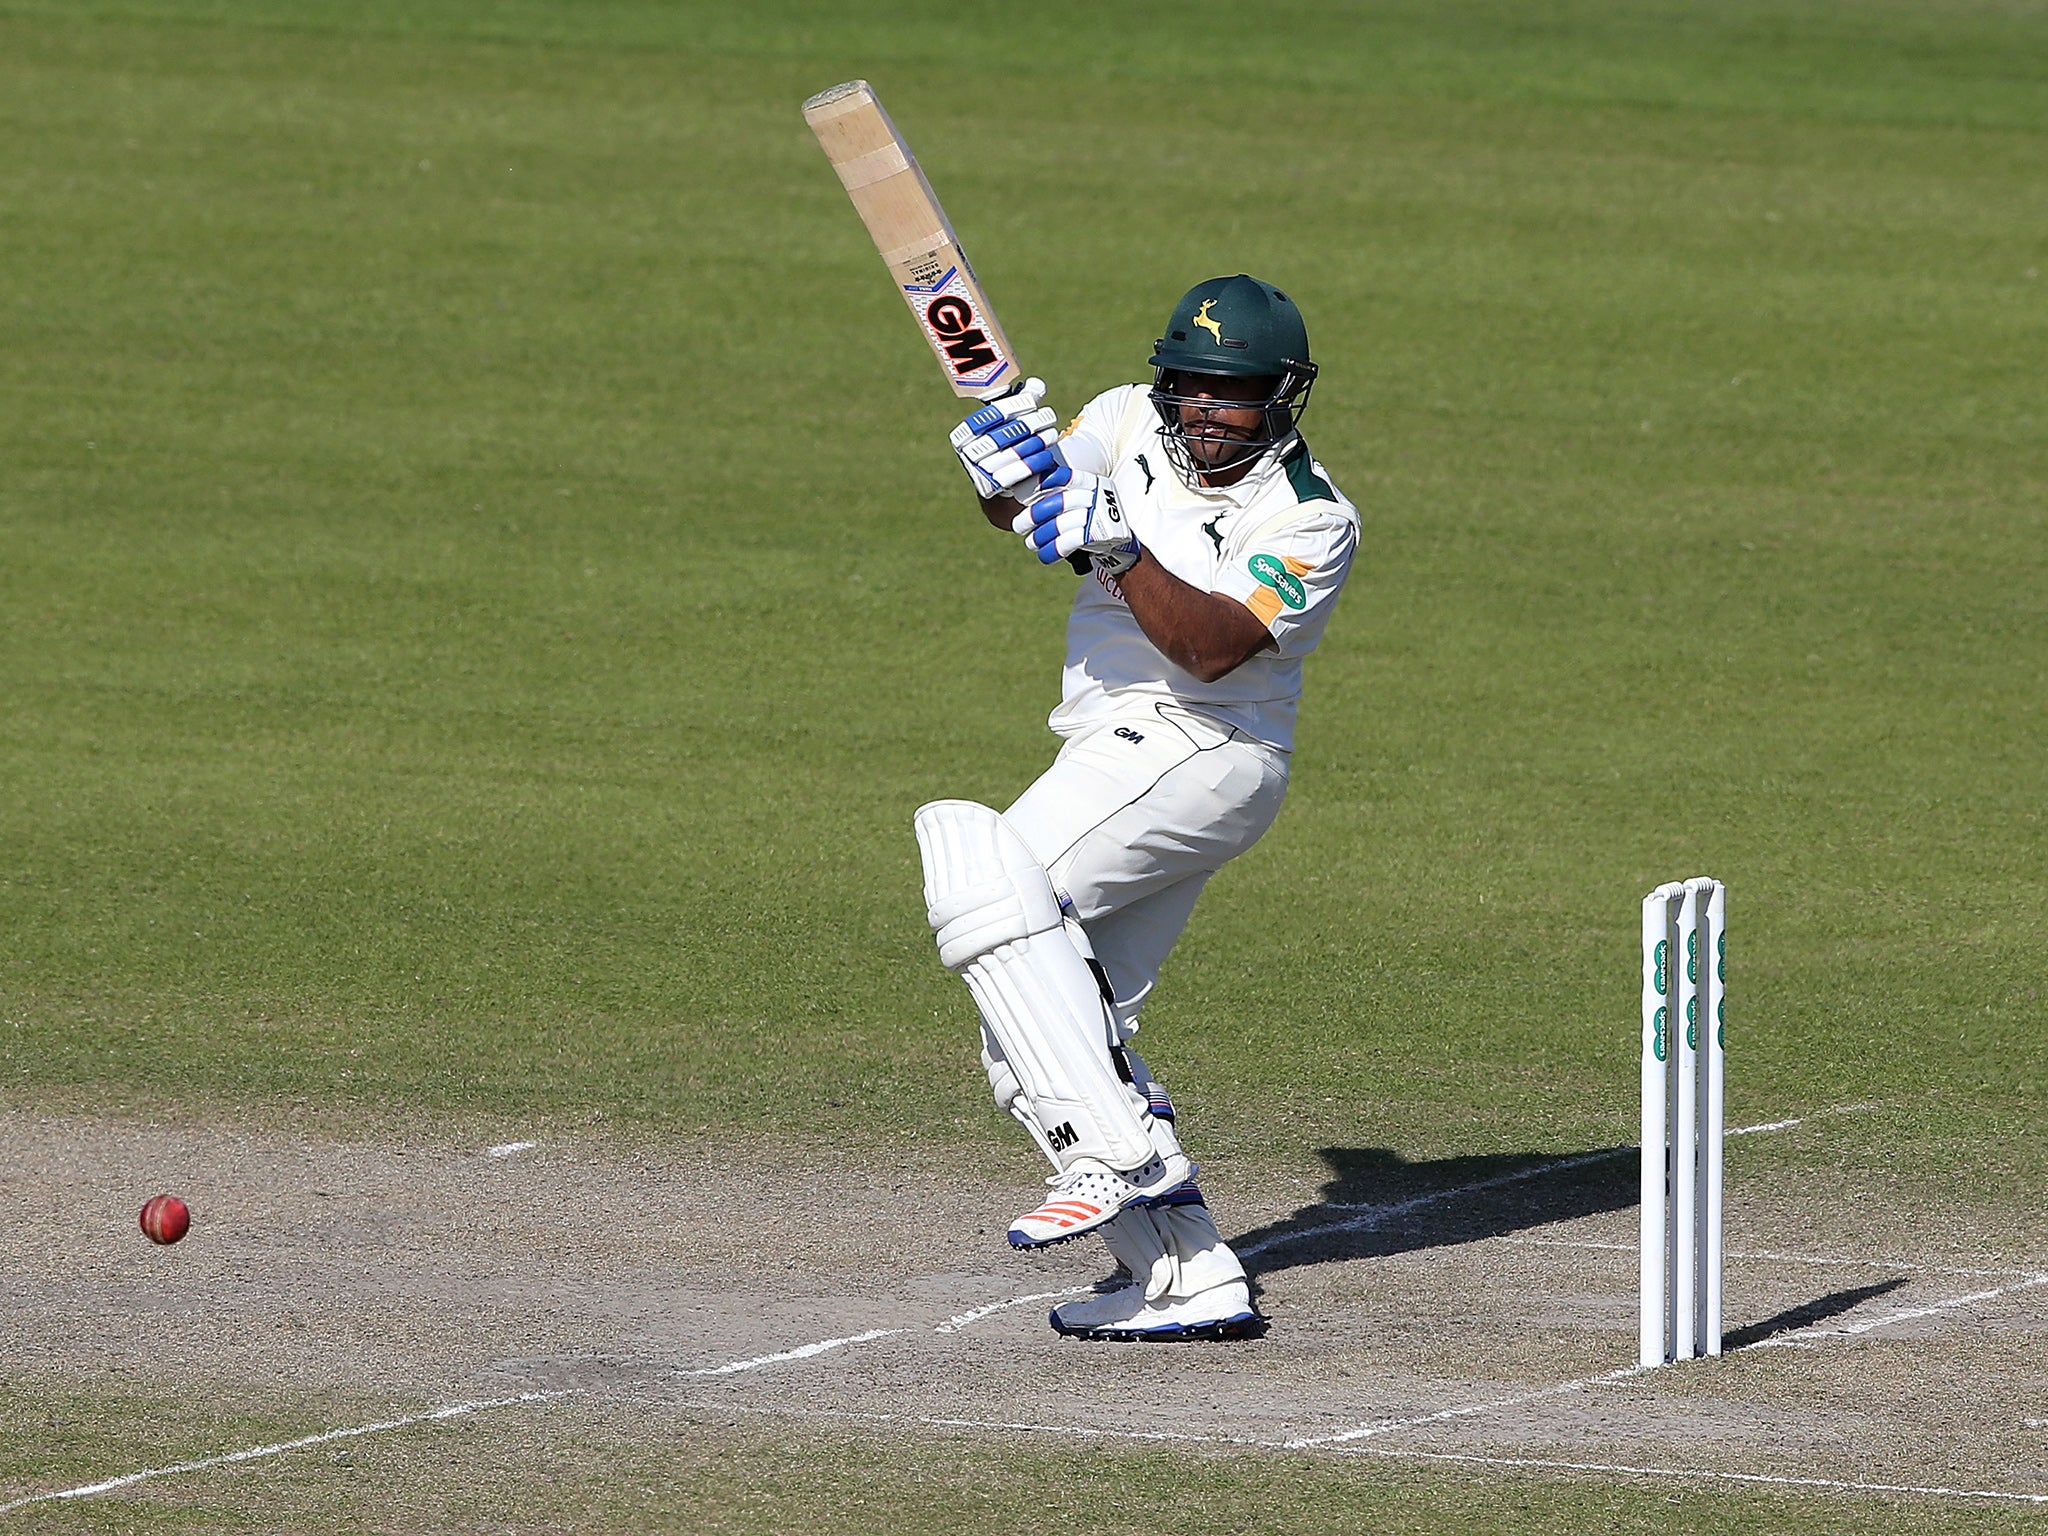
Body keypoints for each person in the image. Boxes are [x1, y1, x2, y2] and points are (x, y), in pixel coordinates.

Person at [913, 275, 1358, 1340]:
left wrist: (1114, 545)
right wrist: (1003, 471)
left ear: (1281, 397)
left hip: (1204, 749)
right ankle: (1186, 1275)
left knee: (989, 881)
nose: (1207, 414)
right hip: (1116, 746)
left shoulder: (1312, 517)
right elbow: (1037, 507)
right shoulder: (1120, 418)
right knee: (1037, 1034)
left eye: (1234, 394)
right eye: (1191, 388)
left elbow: (1210, 650)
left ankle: (1123, 1157)